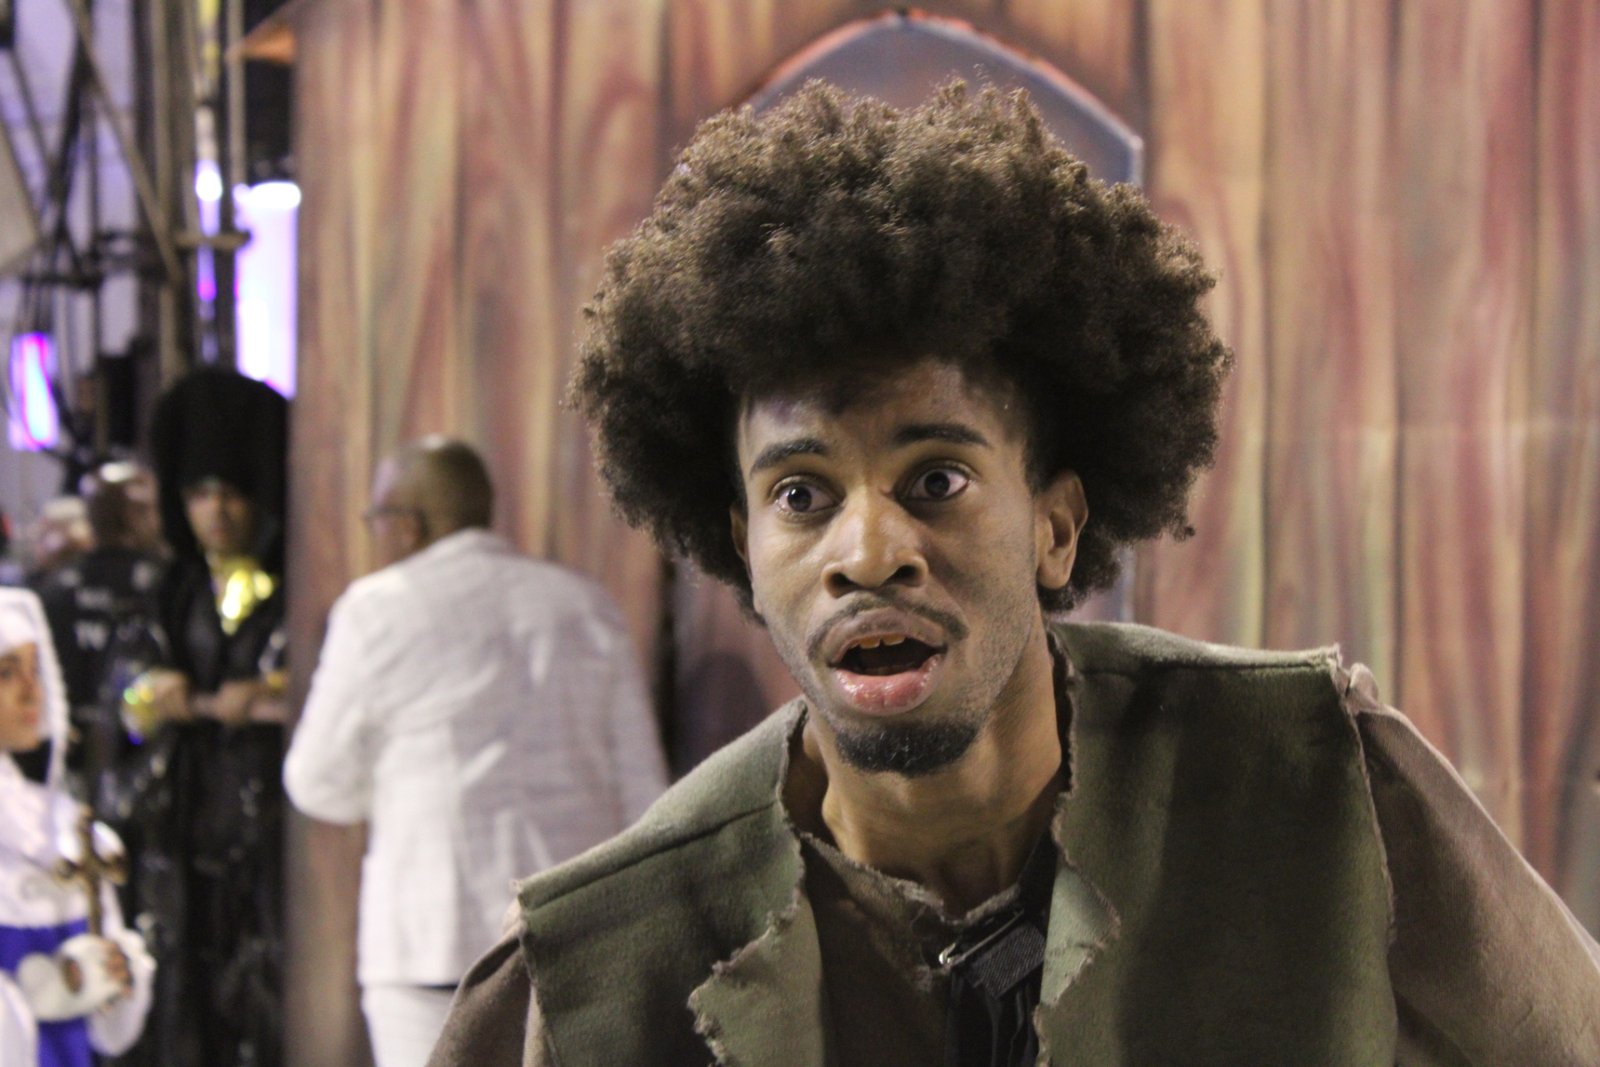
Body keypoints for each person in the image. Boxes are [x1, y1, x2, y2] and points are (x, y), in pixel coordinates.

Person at [427, 83, 1600, 1066]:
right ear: (741, 541)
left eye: (935, 478)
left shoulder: (1320, 786)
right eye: (801, 494)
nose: (868, 550)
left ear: (1054, 525)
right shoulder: (603, 963)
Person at [285, 437, 668, 1067]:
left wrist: (387, 787)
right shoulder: (586, 606)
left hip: (429, 938)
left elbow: (314, 779)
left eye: (378, 518)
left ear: (407, 524)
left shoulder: (376, 609)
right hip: (570, 933)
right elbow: (644, 791)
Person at [119, 367, 290, 1067]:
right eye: (199, 493)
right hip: (186, 834)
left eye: (230, 492)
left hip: (271, 833)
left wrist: (245, 698)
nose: (216, 510)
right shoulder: (171, 594)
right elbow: (133, 702)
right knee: (186, 1006)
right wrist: (208, 703)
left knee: (269, 1003)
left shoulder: (292, 591)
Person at [0, 587, 155, 1066]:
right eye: (6, 673)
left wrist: (117, 972)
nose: (32, 691)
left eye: (36, 669)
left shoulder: (70, 827)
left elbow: (110, 1033)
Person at [30, 462, 166, 798]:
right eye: (148, 509)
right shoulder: (165, 588)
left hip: (68, 759)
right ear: (132, 515)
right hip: (147, 763)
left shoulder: (53, 590)